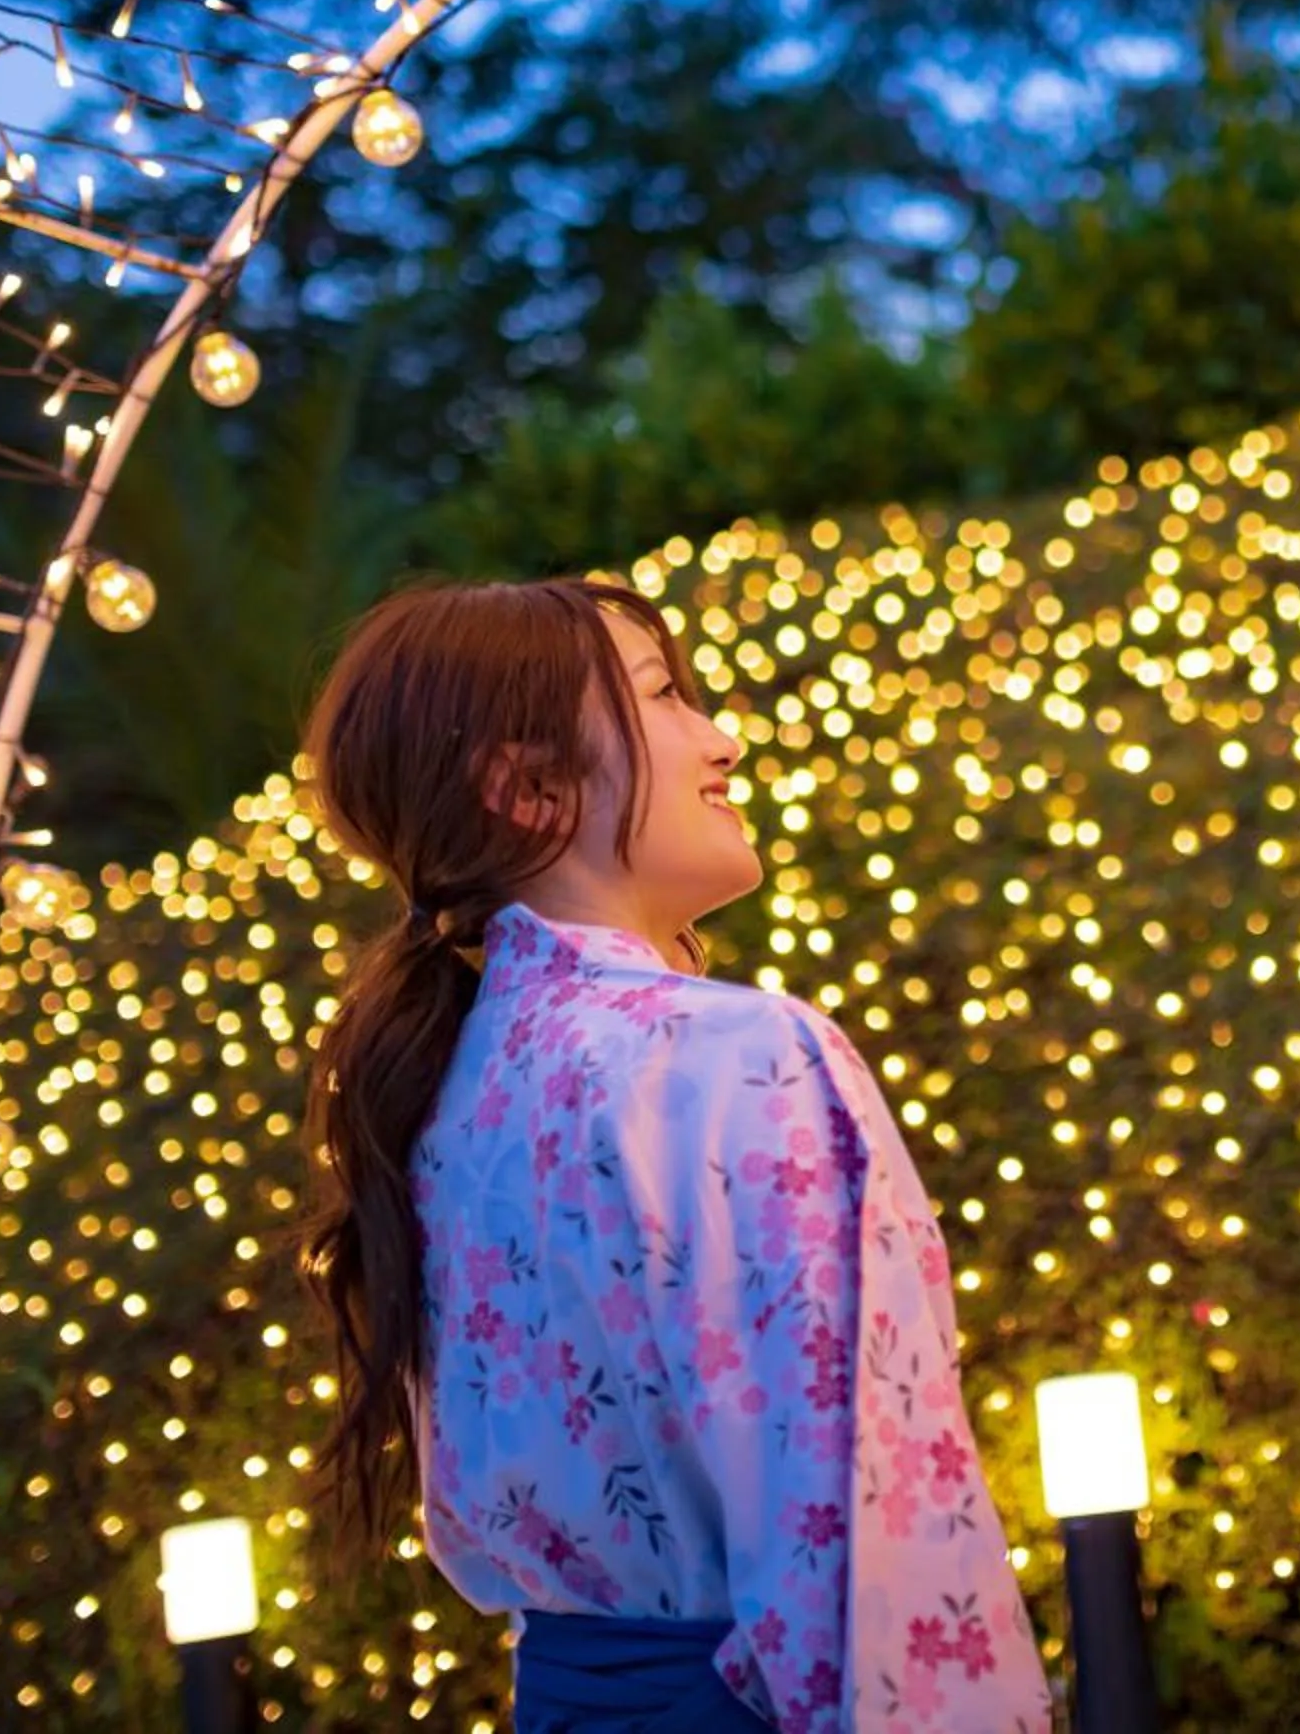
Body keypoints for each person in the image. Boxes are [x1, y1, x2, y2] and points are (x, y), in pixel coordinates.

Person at [293, 575, 1054, 1732]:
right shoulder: (738, 1055)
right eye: (663, 696)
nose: (723, 740)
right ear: (529, 788)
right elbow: (867, 1534)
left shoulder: (444, 1107)